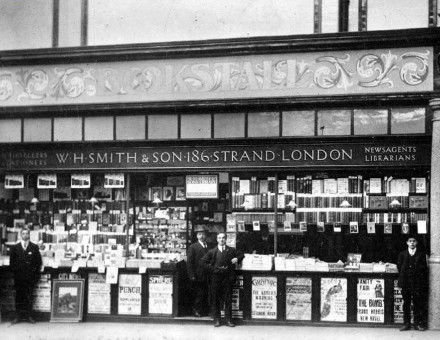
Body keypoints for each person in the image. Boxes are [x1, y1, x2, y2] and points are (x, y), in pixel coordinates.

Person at [202, 232, 243, 327]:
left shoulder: (231, 250)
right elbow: (203, 262)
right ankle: (217, 320)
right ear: (217, 239)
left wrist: (236, 258)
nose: (221, 240)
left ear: (226, 239)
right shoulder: (212, 251)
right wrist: (213, 269)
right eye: (219, 238)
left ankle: (229, 320)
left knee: (228, 299)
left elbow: (241, 255)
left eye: (223, 238)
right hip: (216, 279)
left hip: (228, 278)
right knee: (216, 300)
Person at [10, 227, 42, 324]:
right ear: (21, 235)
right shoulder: (15, 248)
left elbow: (38, 263)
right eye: (23, 233)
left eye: (27, 233)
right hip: (19, 278)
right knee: (19, 297)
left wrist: (34, 275)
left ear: (29, 234)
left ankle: (29, 316)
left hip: (30, 278)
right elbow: (12, 263)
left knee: (29, 296)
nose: (25, 235)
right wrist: (17, 274)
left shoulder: (34, 247)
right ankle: (18, 316)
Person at [397, 235, 428, 331]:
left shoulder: (421, 254)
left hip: (417, 283)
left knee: (417, 303)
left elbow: (424, 269)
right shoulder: (402, 254)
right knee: (406, 303)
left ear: (416, 243)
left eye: (414, 241)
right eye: (410, 241)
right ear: (407, 242)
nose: (412, 243)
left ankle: (416, 324)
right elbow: (399, 266)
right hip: (406, 283)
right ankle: (406, 324)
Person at [186, 226, 209, 317]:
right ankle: (197, 310)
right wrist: (191, 275)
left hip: (207, 274)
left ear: (206, 235)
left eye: (203, 234)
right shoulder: (193, 247)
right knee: (199, 294)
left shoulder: (209, 245)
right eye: (199, 234)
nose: (202, 236)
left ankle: (204, 310)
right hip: (198, 275)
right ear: (196, 236)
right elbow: (189, 262)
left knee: (205, 293)